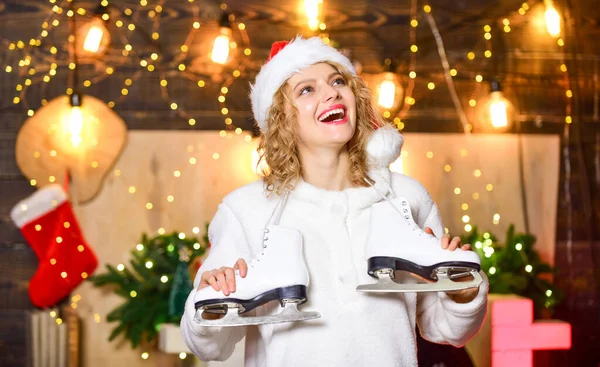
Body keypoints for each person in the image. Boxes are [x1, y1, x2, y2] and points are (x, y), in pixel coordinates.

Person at [180, 36, 488, 366]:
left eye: (338, 81)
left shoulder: (405, 198)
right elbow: (210, 347)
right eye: (306, 89)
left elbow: (445, 330)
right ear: (282, 116)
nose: (331, 93)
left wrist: (461, 293)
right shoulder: (246, 210)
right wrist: (211, 298)